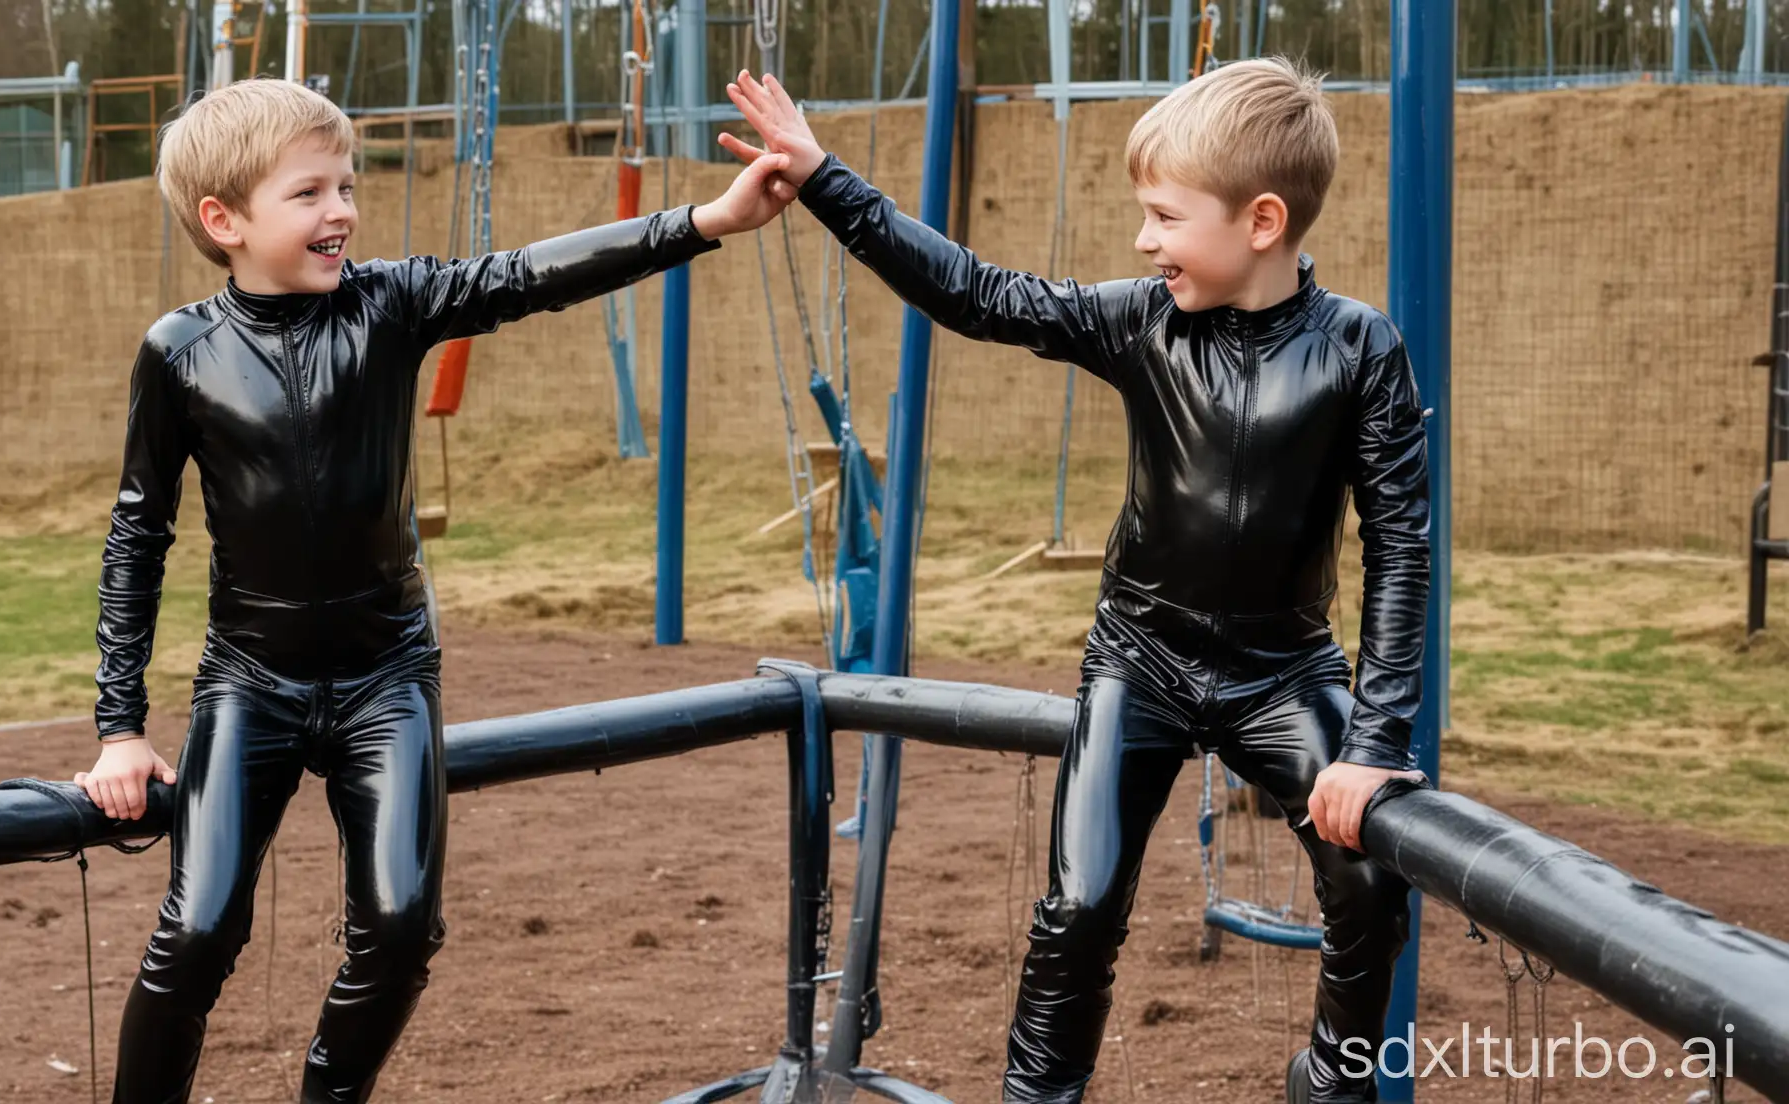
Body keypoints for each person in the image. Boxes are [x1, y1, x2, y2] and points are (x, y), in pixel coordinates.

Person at [74, 76, 798, 1103]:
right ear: (222, 220)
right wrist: (119, 727)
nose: (342, 212)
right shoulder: (179, 353)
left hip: (385, 677)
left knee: (403, 927)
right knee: (196, 932)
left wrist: (708, 221)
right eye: (311, 193)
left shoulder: (391, 304)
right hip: (253, 682)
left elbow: (535, 273)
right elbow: (137, 534)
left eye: (347, 187)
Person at [719, 60, 1431, 1102]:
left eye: (1164, 217)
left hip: (1284, 672)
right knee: (1082, 903)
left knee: (1369, 875)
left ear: (1263, 220)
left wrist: (1374, 745)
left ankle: (1333, 1079)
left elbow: (1401, 547)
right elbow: (975, 293)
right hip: (1141, 659)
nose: (1145, 241)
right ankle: (1038, 1096)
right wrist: (826, 179)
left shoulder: (1360, 349)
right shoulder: (1143, 319)